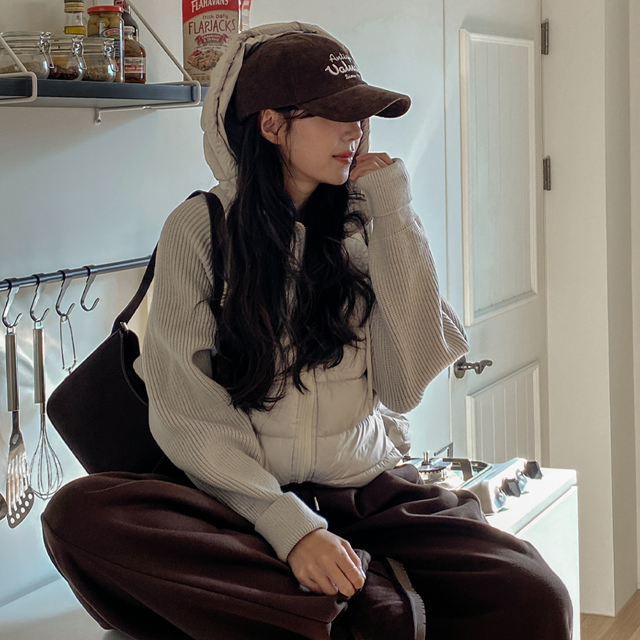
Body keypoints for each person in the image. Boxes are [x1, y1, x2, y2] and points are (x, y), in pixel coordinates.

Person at [42, 21, 573, 640]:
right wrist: (291, 530)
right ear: (272, 125)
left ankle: (335, 603)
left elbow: (403, 387)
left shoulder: (368, 220)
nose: (357, 131)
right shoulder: (199, 229)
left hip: (366, 492)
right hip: (239, 502)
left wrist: (395, 211)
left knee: (534, 594)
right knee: (76, 515)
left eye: (362, 116)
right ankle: (363, 603)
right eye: (336, 115)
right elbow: (189, 412)